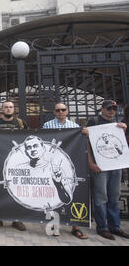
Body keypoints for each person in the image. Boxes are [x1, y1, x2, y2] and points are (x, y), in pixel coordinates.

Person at [41, 102, 88, 239]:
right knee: (55, 195)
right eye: (58, 110)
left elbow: (82, 143)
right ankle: (56, 226)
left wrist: (86, 133)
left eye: (63, 109)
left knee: (74, 192)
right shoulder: (47, 125)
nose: (61, 112)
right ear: (54, 112)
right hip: (53, 164)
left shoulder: (75, 127)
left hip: (71, 163)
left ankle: (76, 226)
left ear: (67, 111)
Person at [84, 100, 129, 240]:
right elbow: (87, 144)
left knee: (114, 196)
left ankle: (115, 226)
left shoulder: (117, 124)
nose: (112, 111)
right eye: (109, 108)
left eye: (114, 109)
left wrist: (124, 130)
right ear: (102, 108)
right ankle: (102, 227)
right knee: (100, 197)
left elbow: (122, 144)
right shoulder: (94, 122)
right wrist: (90, 162)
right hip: (100, 166)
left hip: (116, 165)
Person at [0, 100, 27, 231]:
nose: (8, 109)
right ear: (1, 109)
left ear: (14, 109)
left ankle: (17, 219)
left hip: (17, 163)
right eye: (6, 107)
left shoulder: (21, 124)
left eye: (10, 107)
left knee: (17, 190)